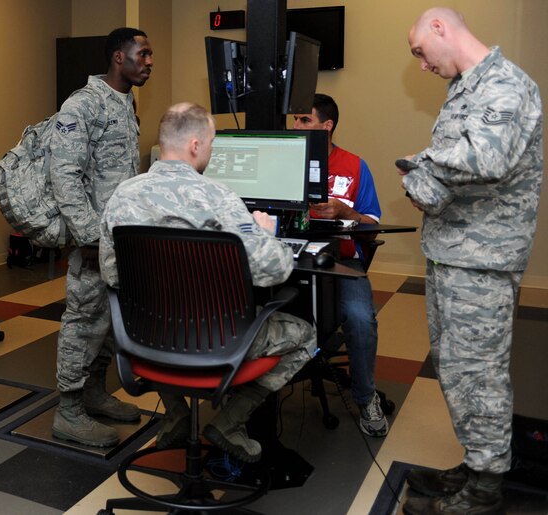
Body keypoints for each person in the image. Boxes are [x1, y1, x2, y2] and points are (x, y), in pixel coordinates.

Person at [100, 102, 317, 462]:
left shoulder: (121, 196)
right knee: (306, 336)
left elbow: (111, 275)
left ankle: (177, 414)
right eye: (213, 144)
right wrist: (263, 232)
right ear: (196, 146)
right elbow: (274, 271)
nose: (212, 152)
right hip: (215, 340)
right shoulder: (219, 198)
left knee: (135, 314)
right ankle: (229, 423)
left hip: (146, 336)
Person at [400, 8, 543, 515]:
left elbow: (484, 158)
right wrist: (427, 184)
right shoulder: (465, 88)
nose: (420, 64)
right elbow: (455, 174)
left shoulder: (504, 85)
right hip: (453, 252)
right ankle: (477, 461)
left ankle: (486, 485)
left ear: (440, 28)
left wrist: (418, 170)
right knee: (456, 367)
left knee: (479, 372)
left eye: (419, 50)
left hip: (482, 260)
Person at [48, 27, 153, 447]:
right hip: (95, 242)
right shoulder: (83, 104)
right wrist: (91, 237)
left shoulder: (126, 104)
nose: (149, 62)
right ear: (117, 58)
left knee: (110, 322)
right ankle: (68, 410)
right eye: (142, 54)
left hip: (121, 238)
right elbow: (65, 177)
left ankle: (93, 392)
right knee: (83, 321)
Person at [292, 93, 388, 437]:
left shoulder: (354, 165)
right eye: (295, 119)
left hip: (341, 264)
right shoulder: (284, 160)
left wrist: (347, 213)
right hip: (292, 263)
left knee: (361, 320)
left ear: (326, 126)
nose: (296, 126)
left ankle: (365, 397)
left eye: (305, 120)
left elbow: (372, 223)